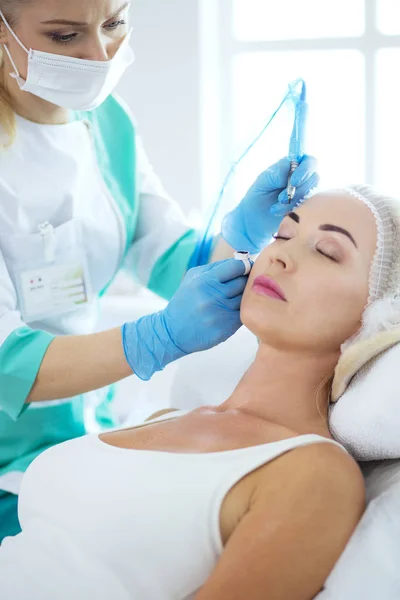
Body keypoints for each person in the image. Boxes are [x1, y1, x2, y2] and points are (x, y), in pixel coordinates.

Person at [0, 0, 320, 539]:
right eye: (63, 36)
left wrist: (240, 235)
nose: (99, 54)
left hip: (79, 438)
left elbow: (174, 260)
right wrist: (154, 340)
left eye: (114, 23)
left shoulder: (107, 123)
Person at [2, 182, 398, 600]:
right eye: (282, 234)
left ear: (381, 312)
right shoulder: (166, 417)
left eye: (326, 251)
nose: (280, 253)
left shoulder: (313, 474)